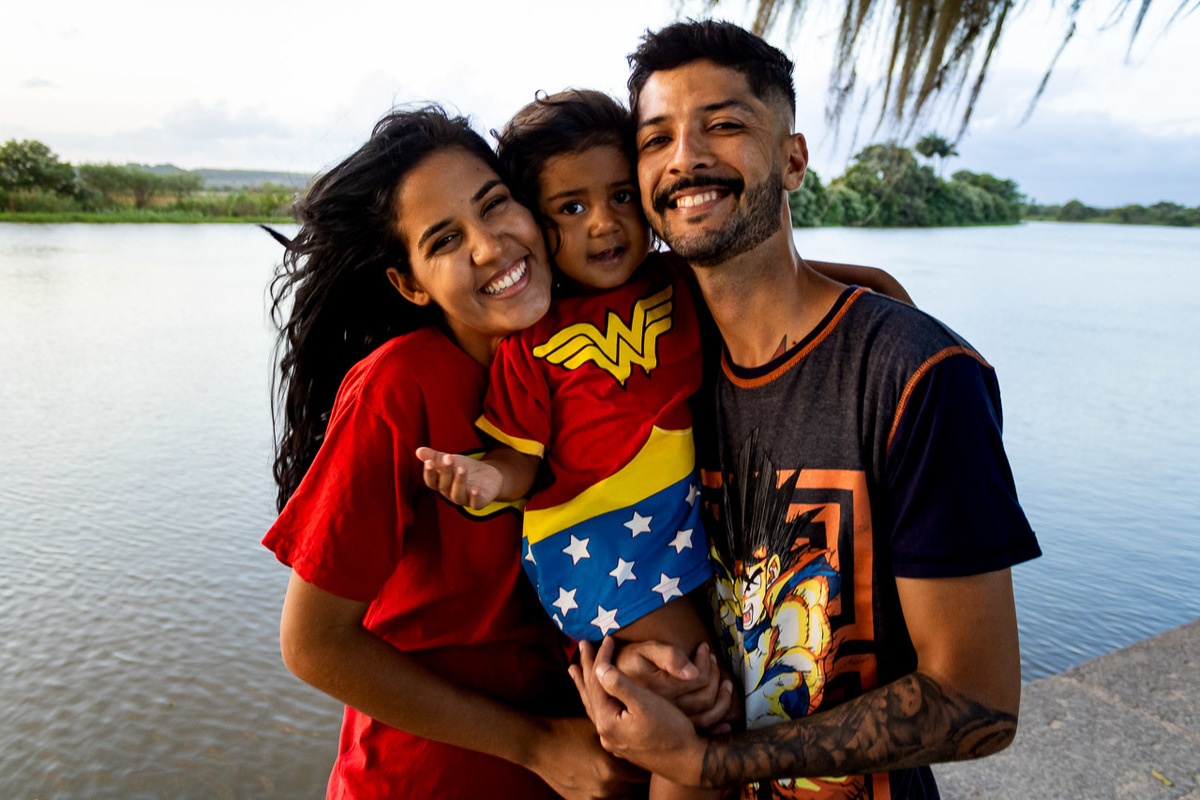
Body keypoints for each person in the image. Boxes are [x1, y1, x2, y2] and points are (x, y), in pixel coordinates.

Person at [570, 20, 1042, 800]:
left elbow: (979, 701)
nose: (685, 157)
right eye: (656, 140)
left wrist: (712, 762)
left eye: (724, 125)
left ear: (792, 160)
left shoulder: (915, 376)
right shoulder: (640, 368)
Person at [261, 106, 645, 800]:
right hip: (430, 778)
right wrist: (536, 745)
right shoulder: (399, 388)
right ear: (410, 284)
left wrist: (866, 295)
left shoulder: (591, 338)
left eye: (495, 205)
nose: (490, 246)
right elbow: (313, 645)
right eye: (444, 240)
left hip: (583, 762)